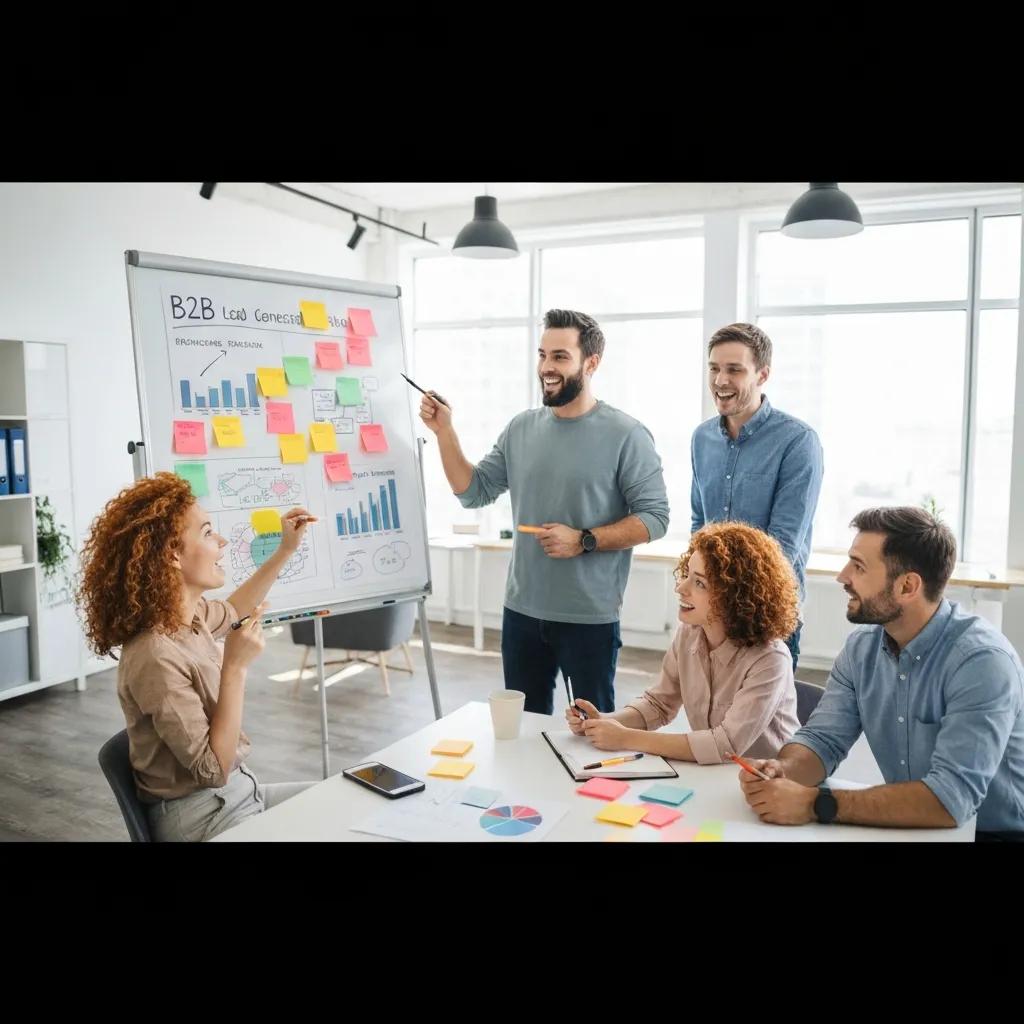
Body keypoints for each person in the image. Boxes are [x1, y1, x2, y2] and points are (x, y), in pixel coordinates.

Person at [419, 308, 670, 715]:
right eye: (542, 355)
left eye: (560, 357)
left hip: (588, 618)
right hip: (521, 612)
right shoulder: (521, 428)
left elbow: (655, 518)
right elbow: (473, 491)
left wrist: (584, 539)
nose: (546, 368)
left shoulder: (627, 434)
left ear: (591, 363)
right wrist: (445, 432)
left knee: (591, 734)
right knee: (524, 732)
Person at [738, 507, 1024, 840]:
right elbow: (822, 740)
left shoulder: (982, 662)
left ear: (907, 586)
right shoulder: (861, 649)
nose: (842, 577)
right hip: (914, 827)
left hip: (993, 834)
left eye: (858, 566)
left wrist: (817, 803)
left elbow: (951, 799)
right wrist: (784, 771)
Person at [76, 472, 319, 842]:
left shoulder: (191, 619)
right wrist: (234, 667)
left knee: (343, 799)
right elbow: (213, 770)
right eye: (207, 532)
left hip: (239, 795)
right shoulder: (154, 655)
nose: (221, 540)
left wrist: (285, 550)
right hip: (202, 819)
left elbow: (236, 608)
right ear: (172, 554)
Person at [565, 522, 800, 763]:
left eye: (699, 583)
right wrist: (604, 722)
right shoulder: (689, 634)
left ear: (735, 596)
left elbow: (725, 746)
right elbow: (658, 704)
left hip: (771, 783)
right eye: (687, 574)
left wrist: (625, 738)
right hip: (712, 775)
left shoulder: (770, 659)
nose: (680, 587)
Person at [691, 322, 823, 671]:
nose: (720, 380)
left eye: (734, 369)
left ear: (762, 374)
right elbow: (699, 523)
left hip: (767, 616)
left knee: (767, 726)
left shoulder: (797, 441)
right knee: (708, 718)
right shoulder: (701, 439)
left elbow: (783, 545)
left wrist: (721, 592)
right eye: (714, 368)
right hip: (711, 612)